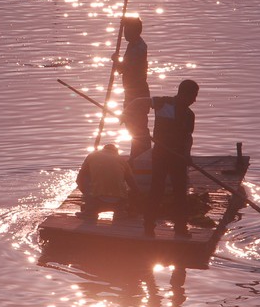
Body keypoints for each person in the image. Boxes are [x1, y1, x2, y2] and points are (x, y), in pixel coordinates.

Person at [138, 79, 199, 238]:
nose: (195, 100)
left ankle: (180, 228)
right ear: (186, 94)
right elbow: (138, 101)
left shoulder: (189, 115)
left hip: (178, 158)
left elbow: (188, 138)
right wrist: (125, 115)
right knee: (156, 190)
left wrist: (188, 155)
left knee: (180, 192)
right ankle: (148, 226)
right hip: (161, 155)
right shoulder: (164, 104)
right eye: (194, 96)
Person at [112, 16, 151, 163]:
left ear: (134, 31)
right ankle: (137, 156)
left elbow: (126, 68)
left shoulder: (139, 48)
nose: (124, 34)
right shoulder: (133, 45)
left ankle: (141, 157)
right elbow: (123, 69)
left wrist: (116, 60)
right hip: (131, 91)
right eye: (124, 30)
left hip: (138, 92)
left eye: (127, 30)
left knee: (138, 127)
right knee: (131, 125)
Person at [76, 143, 141, 221]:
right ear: (116, 152)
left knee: (85, 176)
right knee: (126, 183)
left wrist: (86, 194)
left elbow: (79, 179)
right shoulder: (122, 160)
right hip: (119, 201)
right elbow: (133, 185)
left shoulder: (92, 156)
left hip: (96, 200)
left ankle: (90, 212)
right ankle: (120, 212)